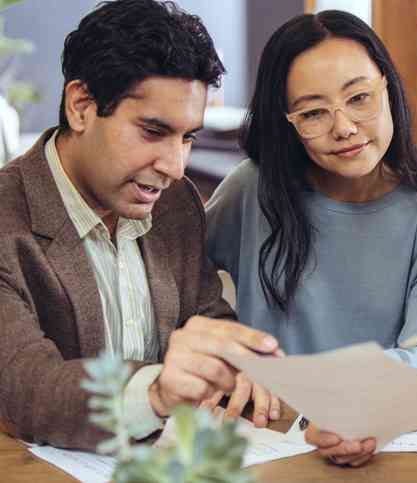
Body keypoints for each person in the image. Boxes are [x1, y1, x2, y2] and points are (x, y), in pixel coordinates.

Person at [0, 0, 281, 451]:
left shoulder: (176, 204)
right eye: (153, 131)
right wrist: (154, 392)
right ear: (81, 106)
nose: (174, 165)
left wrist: (234, 360)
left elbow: (204, 314)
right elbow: (24, 385)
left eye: (187, 137)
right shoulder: (7, 219)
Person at [205, 11, 417, 374]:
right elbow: (177, 279)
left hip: (376, 414)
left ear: (387, 87)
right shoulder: (252, 188)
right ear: (287, 122)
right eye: (313, 113)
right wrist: (225, 343)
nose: (343, 128)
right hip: (265, 419)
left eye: (359, 98)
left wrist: (326, 387)